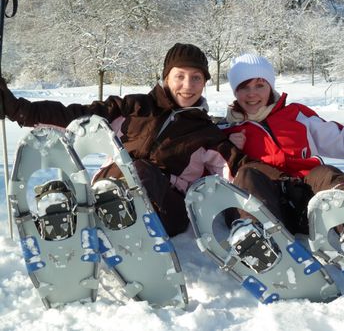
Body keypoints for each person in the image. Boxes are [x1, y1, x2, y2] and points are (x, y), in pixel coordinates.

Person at [0, 43, 256, 237]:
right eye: (180, 75)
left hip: (166, 209)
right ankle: (69, 214)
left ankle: (107, 217)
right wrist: (17, 109)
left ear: (204, 82)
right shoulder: (133, 107)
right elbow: (74, 117)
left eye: (196, 77)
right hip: (112, 184)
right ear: (166, 77)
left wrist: (245, 222)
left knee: (140, 170)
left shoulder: (207, 133)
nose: (187, 85)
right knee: (120, 170)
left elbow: (236, 177)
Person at [221, 53, 344, 258]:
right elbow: (215, 176)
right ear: (235, 92)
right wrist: (229, 148)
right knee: (248, 173)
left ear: (270, 87)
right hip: (265, 208)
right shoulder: (228, 130)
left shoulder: (297, 116)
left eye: (259, 85)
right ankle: (254, 238)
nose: (252, 94)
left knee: (325, 173)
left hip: (307, 204)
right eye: (244, 87)